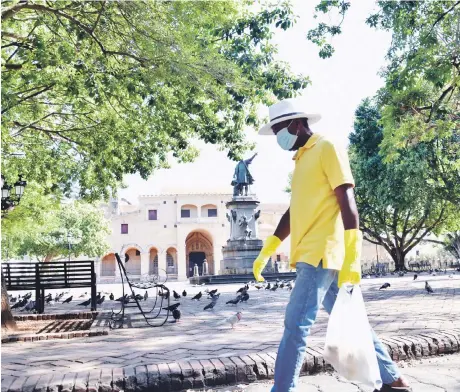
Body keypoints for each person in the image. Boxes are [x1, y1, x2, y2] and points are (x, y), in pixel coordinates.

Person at [253, 99, 411, 392]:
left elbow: (346, 199)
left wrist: (353, 255)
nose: (278, 138)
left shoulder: (326, 147)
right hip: (310, 253)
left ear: (296, 124)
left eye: (279, 130)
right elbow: (293, 211)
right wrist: (268, 248)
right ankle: (393, 381)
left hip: (321, 252)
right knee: (350, 321)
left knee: (295, 326)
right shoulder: (301, 159)